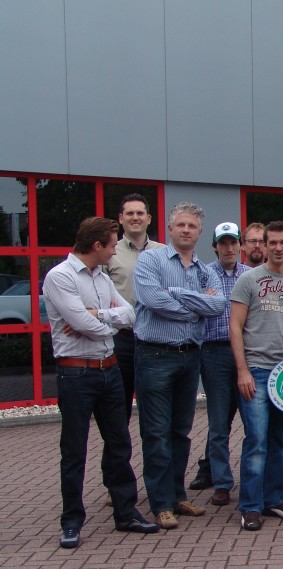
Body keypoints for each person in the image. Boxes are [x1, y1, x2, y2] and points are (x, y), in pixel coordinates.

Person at [43, 216, 160, 549]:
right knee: (74, 449)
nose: (114, 251)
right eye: (111, 245)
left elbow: (131, 314)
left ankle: (126, 514)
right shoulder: (59, 277)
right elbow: (81, 321)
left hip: (109, 370)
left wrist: (97, 316)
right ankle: (71, 522)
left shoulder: (102, 277)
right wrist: (101, 319)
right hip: (76, 372)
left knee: (119, 444)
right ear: (97, 246)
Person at [133, 202, 227, 530]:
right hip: (155, 355)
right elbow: (152, 299)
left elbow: (218, 305)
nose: (186, 230)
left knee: (180, 431)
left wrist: (176, 294)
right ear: (170, 228)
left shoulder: (204, 269)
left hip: (191, 356)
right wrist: (194, 307)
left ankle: (176, 495)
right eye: (180, 225)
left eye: (192, 226)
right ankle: (159, 504)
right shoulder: (151, 259)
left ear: (200, 233)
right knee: (156, 433)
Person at [230, 221, 283, 531]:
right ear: (263, 246)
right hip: (255, 371)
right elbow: (235, 327)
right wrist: (242, 371)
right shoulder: (248, 281)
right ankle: (250, 506)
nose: (278, 247)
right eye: (272, 242)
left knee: (279, 441)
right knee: (257, 441)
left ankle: (273, 499)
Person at [189, 223, 250, 505]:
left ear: (241, 245)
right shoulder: (202, 274)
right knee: (217, 423)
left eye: (233, 242)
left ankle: (252, 478)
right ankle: (222, 482)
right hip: (213, 354)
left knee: (252, 420)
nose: (228, 248)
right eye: (223, 243)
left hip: (246, 354)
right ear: (214, 246)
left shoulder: (250, 275)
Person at [105, 193, 165, 422]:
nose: (135, 217)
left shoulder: (164, 252)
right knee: (118, 411)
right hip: (122, 338)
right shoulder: (111, 252)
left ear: (149, 218)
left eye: (140, 213)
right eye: (130, 213)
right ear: (121, 218)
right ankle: (118, 459)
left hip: (155, 339)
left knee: (154, 412)